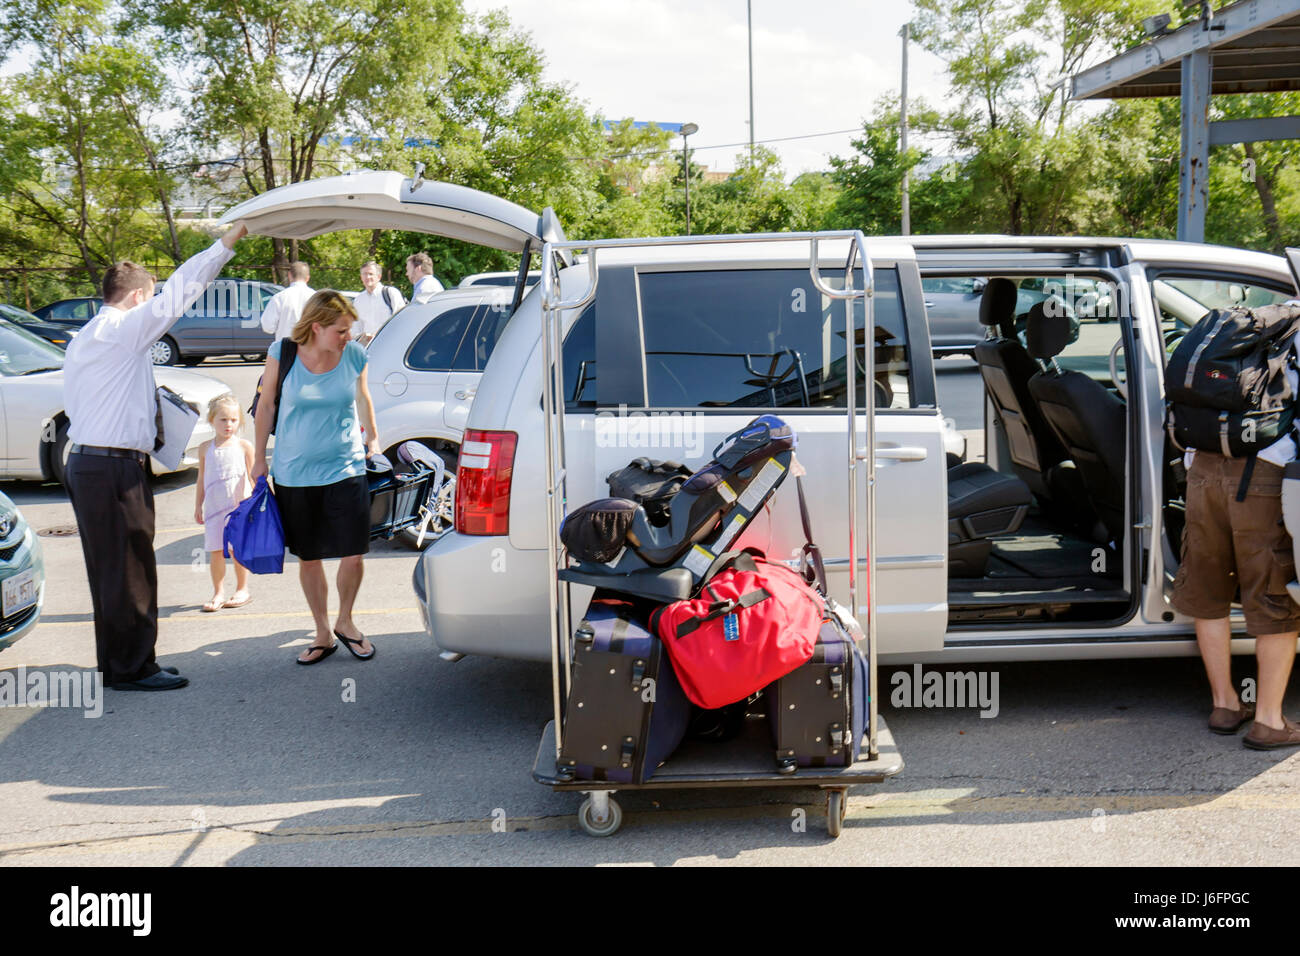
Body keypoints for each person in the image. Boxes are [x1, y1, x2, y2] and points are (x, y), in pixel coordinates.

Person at [63, 221, 247, 691]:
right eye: (151, 298)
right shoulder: (123, 329)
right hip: (112, 467)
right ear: (138, 298)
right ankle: (134, 668)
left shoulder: (87, 336)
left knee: (109, 568)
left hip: (89, 463)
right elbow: (179, 294)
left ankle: (118, 663)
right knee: (131, 567)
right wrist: (224, 245)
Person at [252, 290, 381, 665]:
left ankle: (346, 622)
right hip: (294, 472)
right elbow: (266, 404)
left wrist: (374, 438)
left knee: (353, 553)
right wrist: (258, 457)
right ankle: (323, 632)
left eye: (349, 330)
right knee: (310, 557)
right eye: (341, 330)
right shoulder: (283, 352)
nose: (347, 336)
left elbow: (363, 396)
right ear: (316, 326)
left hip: (346, 467)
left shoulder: (355, 354)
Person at [1173, 417, 1300, 750]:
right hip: (1265, 468)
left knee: (1210, 587)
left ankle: (1225, 704)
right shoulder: (1280, 360)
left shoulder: (1214, 362)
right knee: (1275, 592)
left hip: (1201, 466)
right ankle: (1269, 721)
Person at [194, 393, 255, 613]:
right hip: (213, 509)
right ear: (212, 421)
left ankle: (242, 588)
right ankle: (218, 592)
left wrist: (258, 504)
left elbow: (253, 477)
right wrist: (197, 505)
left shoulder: (244, 446)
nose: (229, 424)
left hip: (238, 508)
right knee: (216, 550)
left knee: (237, 549)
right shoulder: (205, 448)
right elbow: (201, 478)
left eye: (233, 420)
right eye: (223, 419)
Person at [353, 260, 405, 346]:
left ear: (379, 276)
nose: (367, 277)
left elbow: (401, 321)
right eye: (364, 274)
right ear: (361, 277)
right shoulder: (358, 300)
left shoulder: (391, 293)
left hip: (389, 345)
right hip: (367, 348)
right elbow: (355, 328)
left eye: (370, 274)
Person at [260, 261, 314, 341]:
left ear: (289, 275)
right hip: (311, 348)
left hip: (286, 348)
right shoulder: (316, 298)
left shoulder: (279, 298)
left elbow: (267, 327)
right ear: (308, 278)